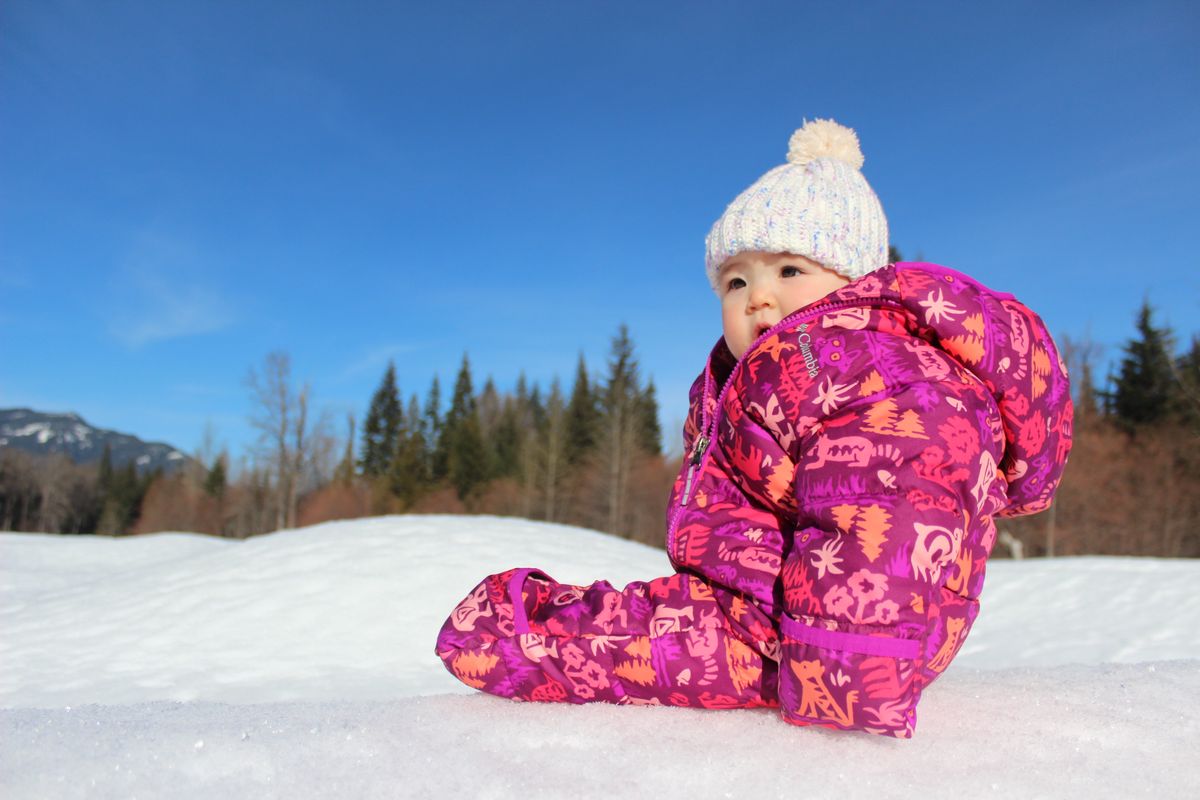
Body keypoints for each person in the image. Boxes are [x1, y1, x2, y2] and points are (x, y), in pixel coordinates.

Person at [434, 119, 1073, 737]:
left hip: (834, 640)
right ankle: (519, 621)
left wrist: (843, 668)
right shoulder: (772, 374)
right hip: (776, 611)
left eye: (789, 271)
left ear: (856, 282)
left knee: (599, 645)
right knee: (633, 626)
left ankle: (515, 629)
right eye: (736, 280)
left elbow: (891, 507)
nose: (756, 297)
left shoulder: (873, 369)